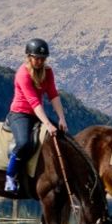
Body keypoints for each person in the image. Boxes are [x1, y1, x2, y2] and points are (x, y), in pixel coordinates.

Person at [6, 38, 67, 192]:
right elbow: (34, 102)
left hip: (36, 114)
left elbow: (53, 95)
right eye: (37, 58)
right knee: (24, 143)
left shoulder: (48, 72)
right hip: (20, 114)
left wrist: (61, 118)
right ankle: (10, 176)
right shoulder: (22, 74)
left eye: (43, 59)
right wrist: (47, 124)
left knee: (60, 138)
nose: (40, 61)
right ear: (29, 57)